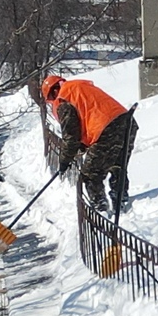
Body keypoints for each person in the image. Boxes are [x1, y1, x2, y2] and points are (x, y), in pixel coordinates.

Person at [40, 74, 136, 214]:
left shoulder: (63, 100)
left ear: (53, 92)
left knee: (90, 174)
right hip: (127, 123)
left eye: (50, 100)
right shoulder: (79, 88)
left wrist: (65, 160)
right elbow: (88, 116)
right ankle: (121, 202)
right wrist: (83, 145)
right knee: (117, 166)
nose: (52, 103)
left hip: (106, 129)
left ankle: (101, 209)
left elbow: (71, 136)